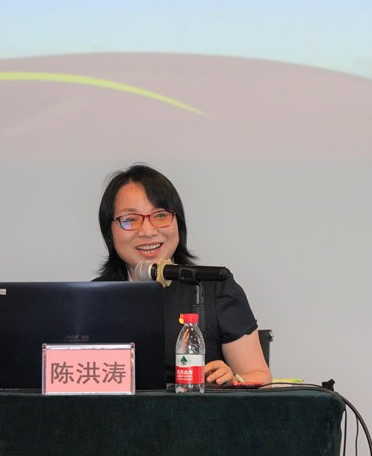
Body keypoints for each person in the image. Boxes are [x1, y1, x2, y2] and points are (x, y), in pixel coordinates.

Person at [94, 164, 272, 386]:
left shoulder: (216, 287)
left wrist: (232, 381)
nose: (148, 231)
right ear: (109, 231)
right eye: (130, 219)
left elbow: (259, 376)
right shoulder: (93, 300)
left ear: (178, 223)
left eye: (160, 215)